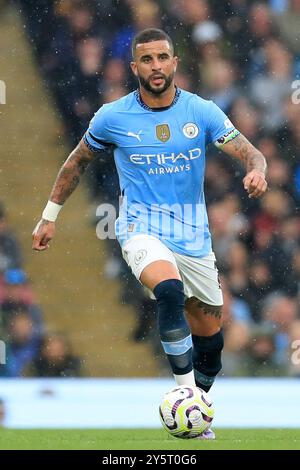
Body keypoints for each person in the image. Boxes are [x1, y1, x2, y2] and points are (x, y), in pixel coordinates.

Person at [32, 28, 267, 439]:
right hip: (141, 229)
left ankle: (195, 411)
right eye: (147, 59)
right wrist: (50, 215)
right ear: (134, 66)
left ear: (175, 62)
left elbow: (250, 150)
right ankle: (184, 393)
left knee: (211, 348)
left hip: (194, 238)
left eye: (162, 57)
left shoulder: (202, 112)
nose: (156, 66)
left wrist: (258, 169)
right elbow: (76, 163)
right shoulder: (113, 117)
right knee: (170, 292)